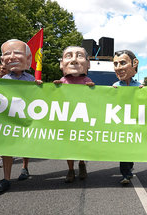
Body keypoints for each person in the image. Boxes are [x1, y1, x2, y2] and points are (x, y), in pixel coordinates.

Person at [0, 39, 40, 194]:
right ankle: (6, 178)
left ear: (28, 59)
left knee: (25, 144)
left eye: (17, 53)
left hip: (25, 118)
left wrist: (40, 88)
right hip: (9, 120)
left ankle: (24, 168)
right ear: (2, 60)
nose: (12, 57)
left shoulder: (31, 79)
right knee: (6, 148)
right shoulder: (2, 80)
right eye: (7, 54)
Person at [53, 46, 94, 183]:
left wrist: (92, 90)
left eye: (80, 56)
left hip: (81, 120)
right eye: (69, 56)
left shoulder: (87, 81)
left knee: (80, 144)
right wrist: (55, 89)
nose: (74, 60)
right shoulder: (63, 81)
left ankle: (81, 164)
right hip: (67, 120)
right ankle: (70, 170)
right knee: (68, 147)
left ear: (88, 64)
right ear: (61, 63)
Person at [112, 50, 143, 185]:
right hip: (121, 125)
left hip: (135, 124)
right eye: (115, 64)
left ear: (134, 63)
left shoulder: (140, 86)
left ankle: (129, 168)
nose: (118, 67)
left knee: (130, 150)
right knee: (123, 151)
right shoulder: (114, 87)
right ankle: (125, 174)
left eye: (122, 63)